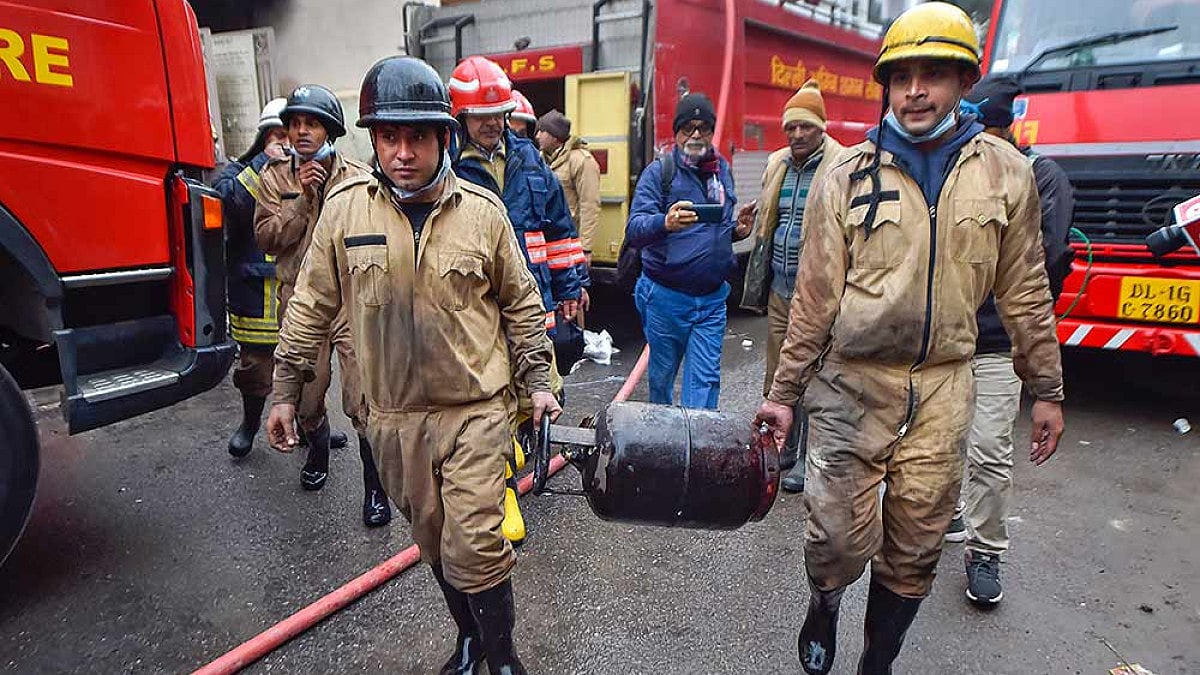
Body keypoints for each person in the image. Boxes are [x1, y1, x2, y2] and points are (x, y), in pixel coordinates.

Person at [753, 4, 1066, 673]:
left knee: (917, 545)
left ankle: (877, 661)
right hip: (852, 385)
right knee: (836, 538)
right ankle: (825, 601)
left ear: (963, 81)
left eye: (933, 75)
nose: (915, 91)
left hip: (946, 387)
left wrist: (1046, 387)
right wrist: (783, 394)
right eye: (902, 77)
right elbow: (813, 300)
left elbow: (1025, 288)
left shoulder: (1006, 174)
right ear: (886, 86)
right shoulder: (845, 177)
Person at [266, 56, 559, 675]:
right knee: (435, 544)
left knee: (475, 544)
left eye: (417, 137)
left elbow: (522, 304)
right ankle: (471, 638)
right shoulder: (345, 213)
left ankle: (504, 659)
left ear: (442, 138)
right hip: (393, 418)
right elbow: (310, 305)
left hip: (475, 412)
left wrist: (540, 384)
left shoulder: (482, 213)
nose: (403, 152)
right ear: (374, 141)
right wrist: (286, 390)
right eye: (390, 137)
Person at [943, 74, 1075, 607]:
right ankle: (948, 515)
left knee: (990, 452)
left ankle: (985, 550)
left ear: (1001, 127)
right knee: (939, 445)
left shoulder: (1039, 178)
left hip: (997, 346)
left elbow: (1041, 274)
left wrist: (1047, 389)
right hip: (946, 344)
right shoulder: (951, 170)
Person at [450, 55, 586, 546]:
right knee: (492, 398)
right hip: (478, 304)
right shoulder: (448, 166)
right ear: (460, 116)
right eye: (481, 116)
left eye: (498, 114)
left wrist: (570, 288)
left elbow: (559, 228)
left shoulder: (529, 159)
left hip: (533, 296)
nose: (491, 124)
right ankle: (504, 488)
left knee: (540, 386)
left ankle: (524, 448)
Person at [254, 84, 391, 527]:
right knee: (306, 399)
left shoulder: (358, 177)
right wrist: (302, 200)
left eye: (311, 124)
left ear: (329, 129)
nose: (301, 132)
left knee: (363, 395)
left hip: (351, 302)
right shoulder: (275, 177)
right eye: (295, 124)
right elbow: (266, 238)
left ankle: (374, 486)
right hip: (302, 302)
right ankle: (317, 448)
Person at [739, 79, 846, 493]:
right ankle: (783, 448)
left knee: (814, 375)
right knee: (779, 373)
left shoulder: (840, 164)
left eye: (806, 126)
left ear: (822, 127)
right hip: (780, 289)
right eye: (791, 127)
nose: (798, 134)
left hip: (818, 293)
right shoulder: (777, 164)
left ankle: (806, 458)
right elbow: (771, 222)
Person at [626, 92, 751, 409]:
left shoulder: (721, 171)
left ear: (711, 132)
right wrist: (665, 222)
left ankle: (697, 439)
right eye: (688, 128)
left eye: (703, 128)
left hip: (712, 300)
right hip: (665, 298)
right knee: (662, 381)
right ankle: (661, 434)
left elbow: (714, 231)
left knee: (705, 383)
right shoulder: (660, 173)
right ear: (677, 133)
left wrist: (737, 231)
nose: (696, 135)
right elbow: (634, 229)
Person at [212, 97, 288, 459]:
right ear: (262, 138)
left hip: (297, 294)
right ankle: (250, 425)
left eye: (291, 135)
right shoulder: (241, 172)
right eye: (278, 136)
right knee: (255, 369)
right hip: (255, 296)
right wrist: (263, 165)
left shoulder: (310, 171)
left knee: (307, 369)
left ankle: (311, 425)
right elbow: (230, 202)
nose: (286, 143)